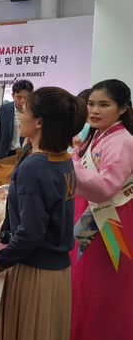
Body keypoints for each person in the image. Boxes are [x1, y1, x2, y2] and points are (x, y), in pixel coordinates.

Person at [0, 87, 86, 339]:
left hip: (34, 272)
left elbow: (29, 233)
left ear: (38, 122)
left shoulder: (34, 167)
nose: (20, 115)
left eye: (24, 111)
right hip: (57, 271)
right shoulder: (64, 158)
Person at [69, 79, 133, 340]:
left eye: (104, 105)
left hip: (110, 220)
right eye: (91, 104)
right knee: (82, 282)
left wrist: (68, 163)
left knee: (104, 286)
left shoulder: (122, 141)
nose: (94, 111)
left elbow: (107, 188)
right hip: (89, 213)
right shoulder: (93, 136)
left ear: (122, 109)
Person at [0, 80, 34, 161]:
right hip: (6, 153)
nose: (23, 101)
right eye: (19, 97)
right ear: (13, 96)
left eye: (26, 97)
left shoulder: (35, 111)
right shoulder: (3, 109)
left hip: (27, 153)